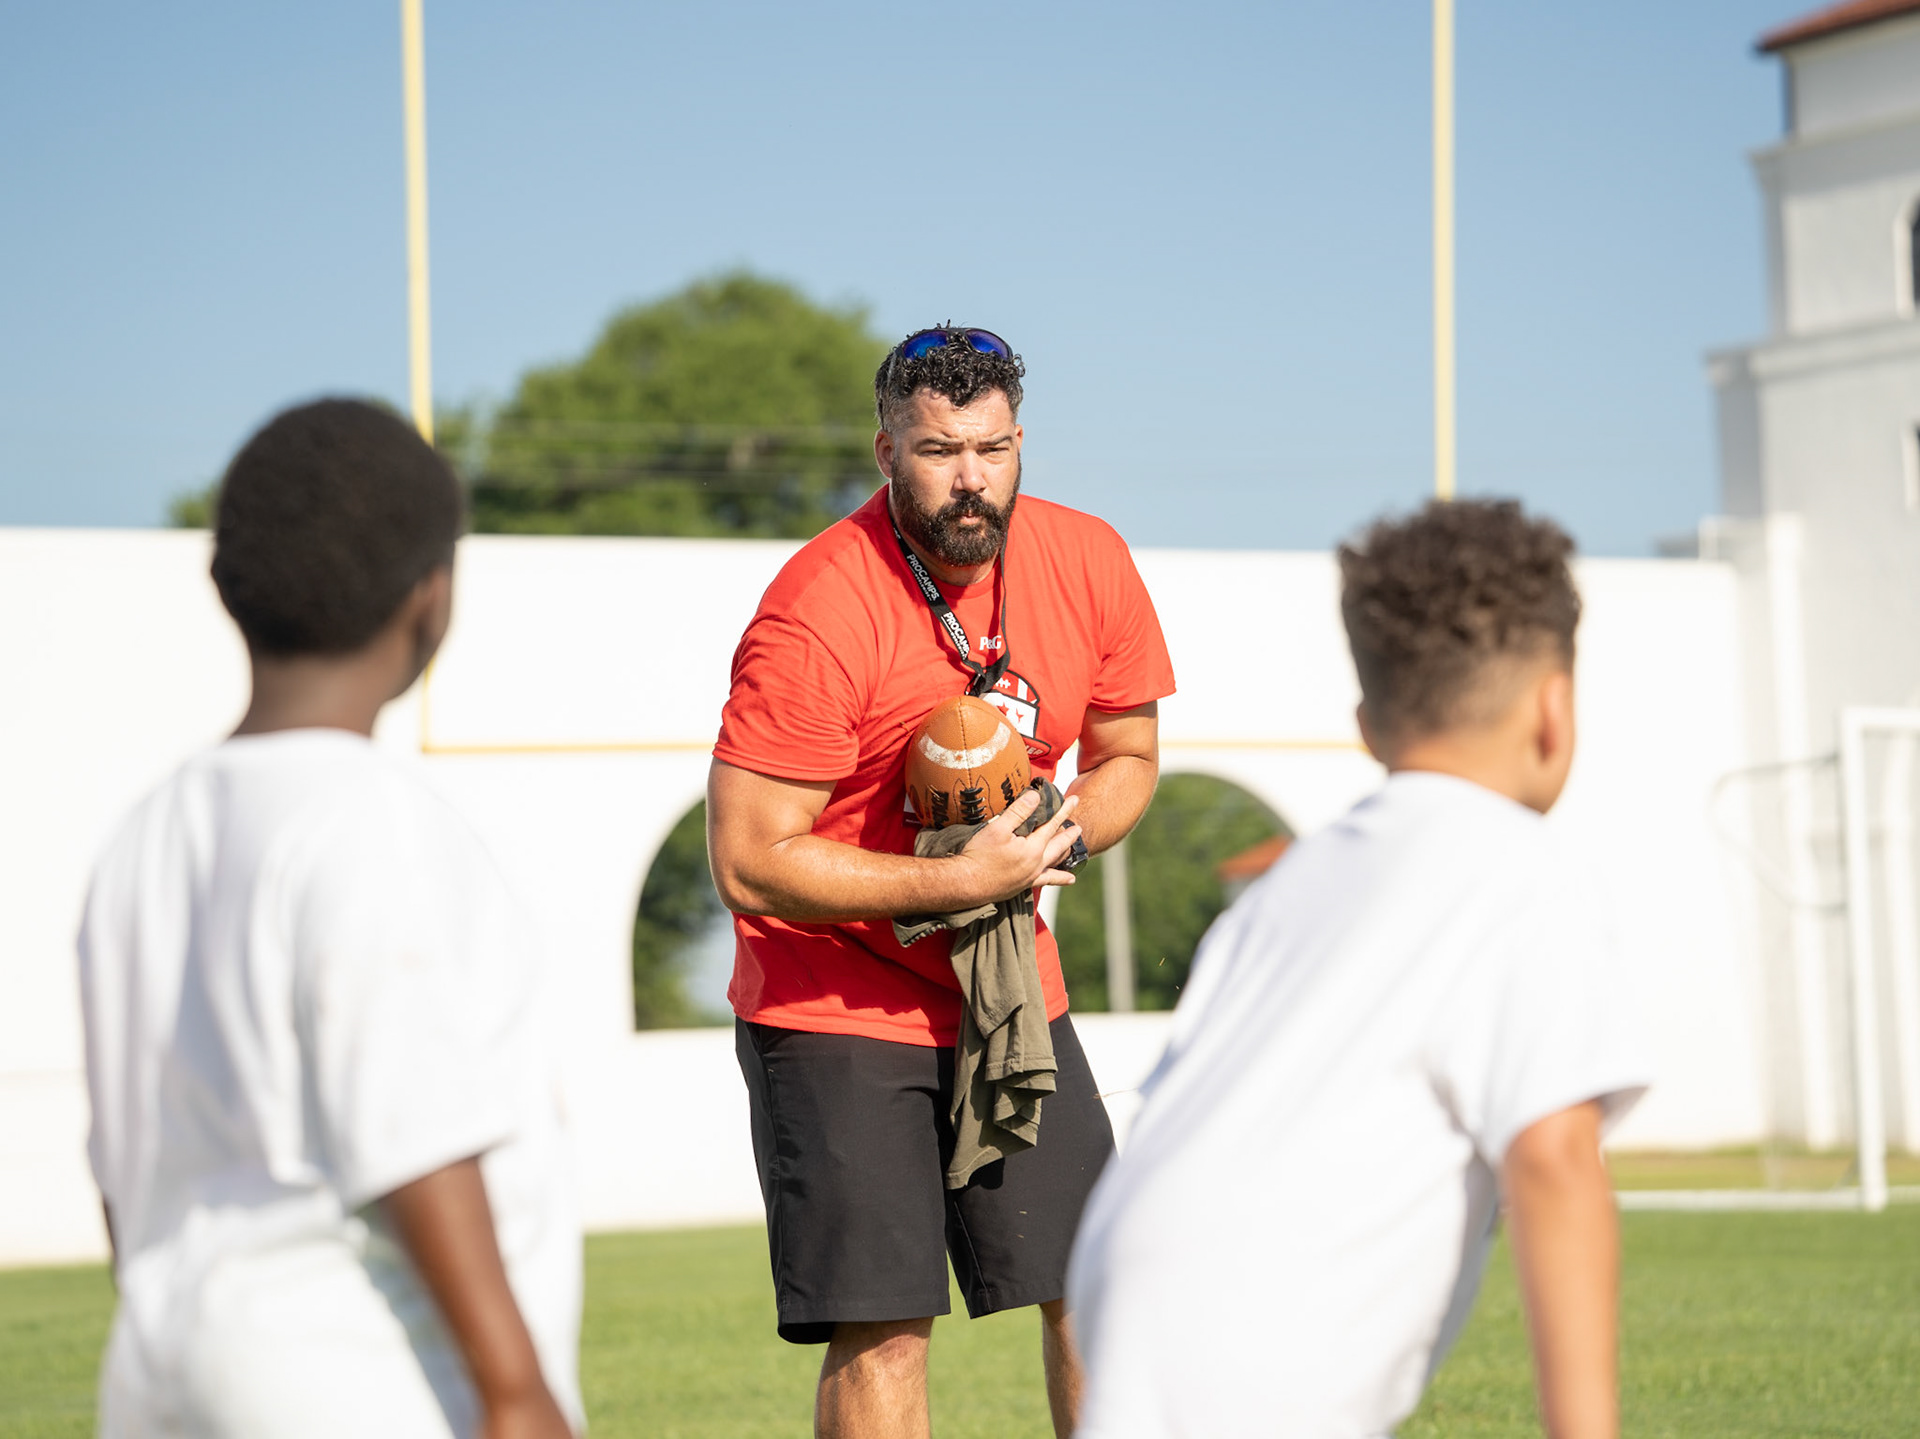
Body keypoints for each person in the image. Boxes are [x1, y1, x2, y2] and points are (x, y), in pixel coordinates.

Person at [1067, 499, 1653, 1439]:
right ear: (1555, 710)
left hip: (1125, 1302)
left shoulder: (1288, 890)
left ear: (1367, 726)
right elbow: (1555, 1158)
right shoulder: (1518, 869)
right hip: (1257, 1351)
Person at [78, 400, 582, 1439]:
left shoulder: (145, 832)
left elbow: (127, 1161)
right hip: (356, 1373)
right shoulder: (368, 815)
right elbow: (416, 1127)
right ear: (432, 596)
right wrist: (515, 1389)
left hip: (162, 1365)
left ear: (225, 586)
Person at [707, 326, 1176, 1438]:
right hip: (833, 998)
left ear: (1019, 445)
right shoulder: (818, 607)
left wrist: (1061, 834)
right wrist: (960, 878)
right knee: (885, 1326)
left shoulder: (1089, 559)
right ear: (887, 453)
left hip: (1008, 990)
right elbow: (749, 856)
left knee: (1098, 1278)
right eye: (939, 450)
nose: (971, 477)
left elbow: (1128, 756)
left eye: (992, 448)